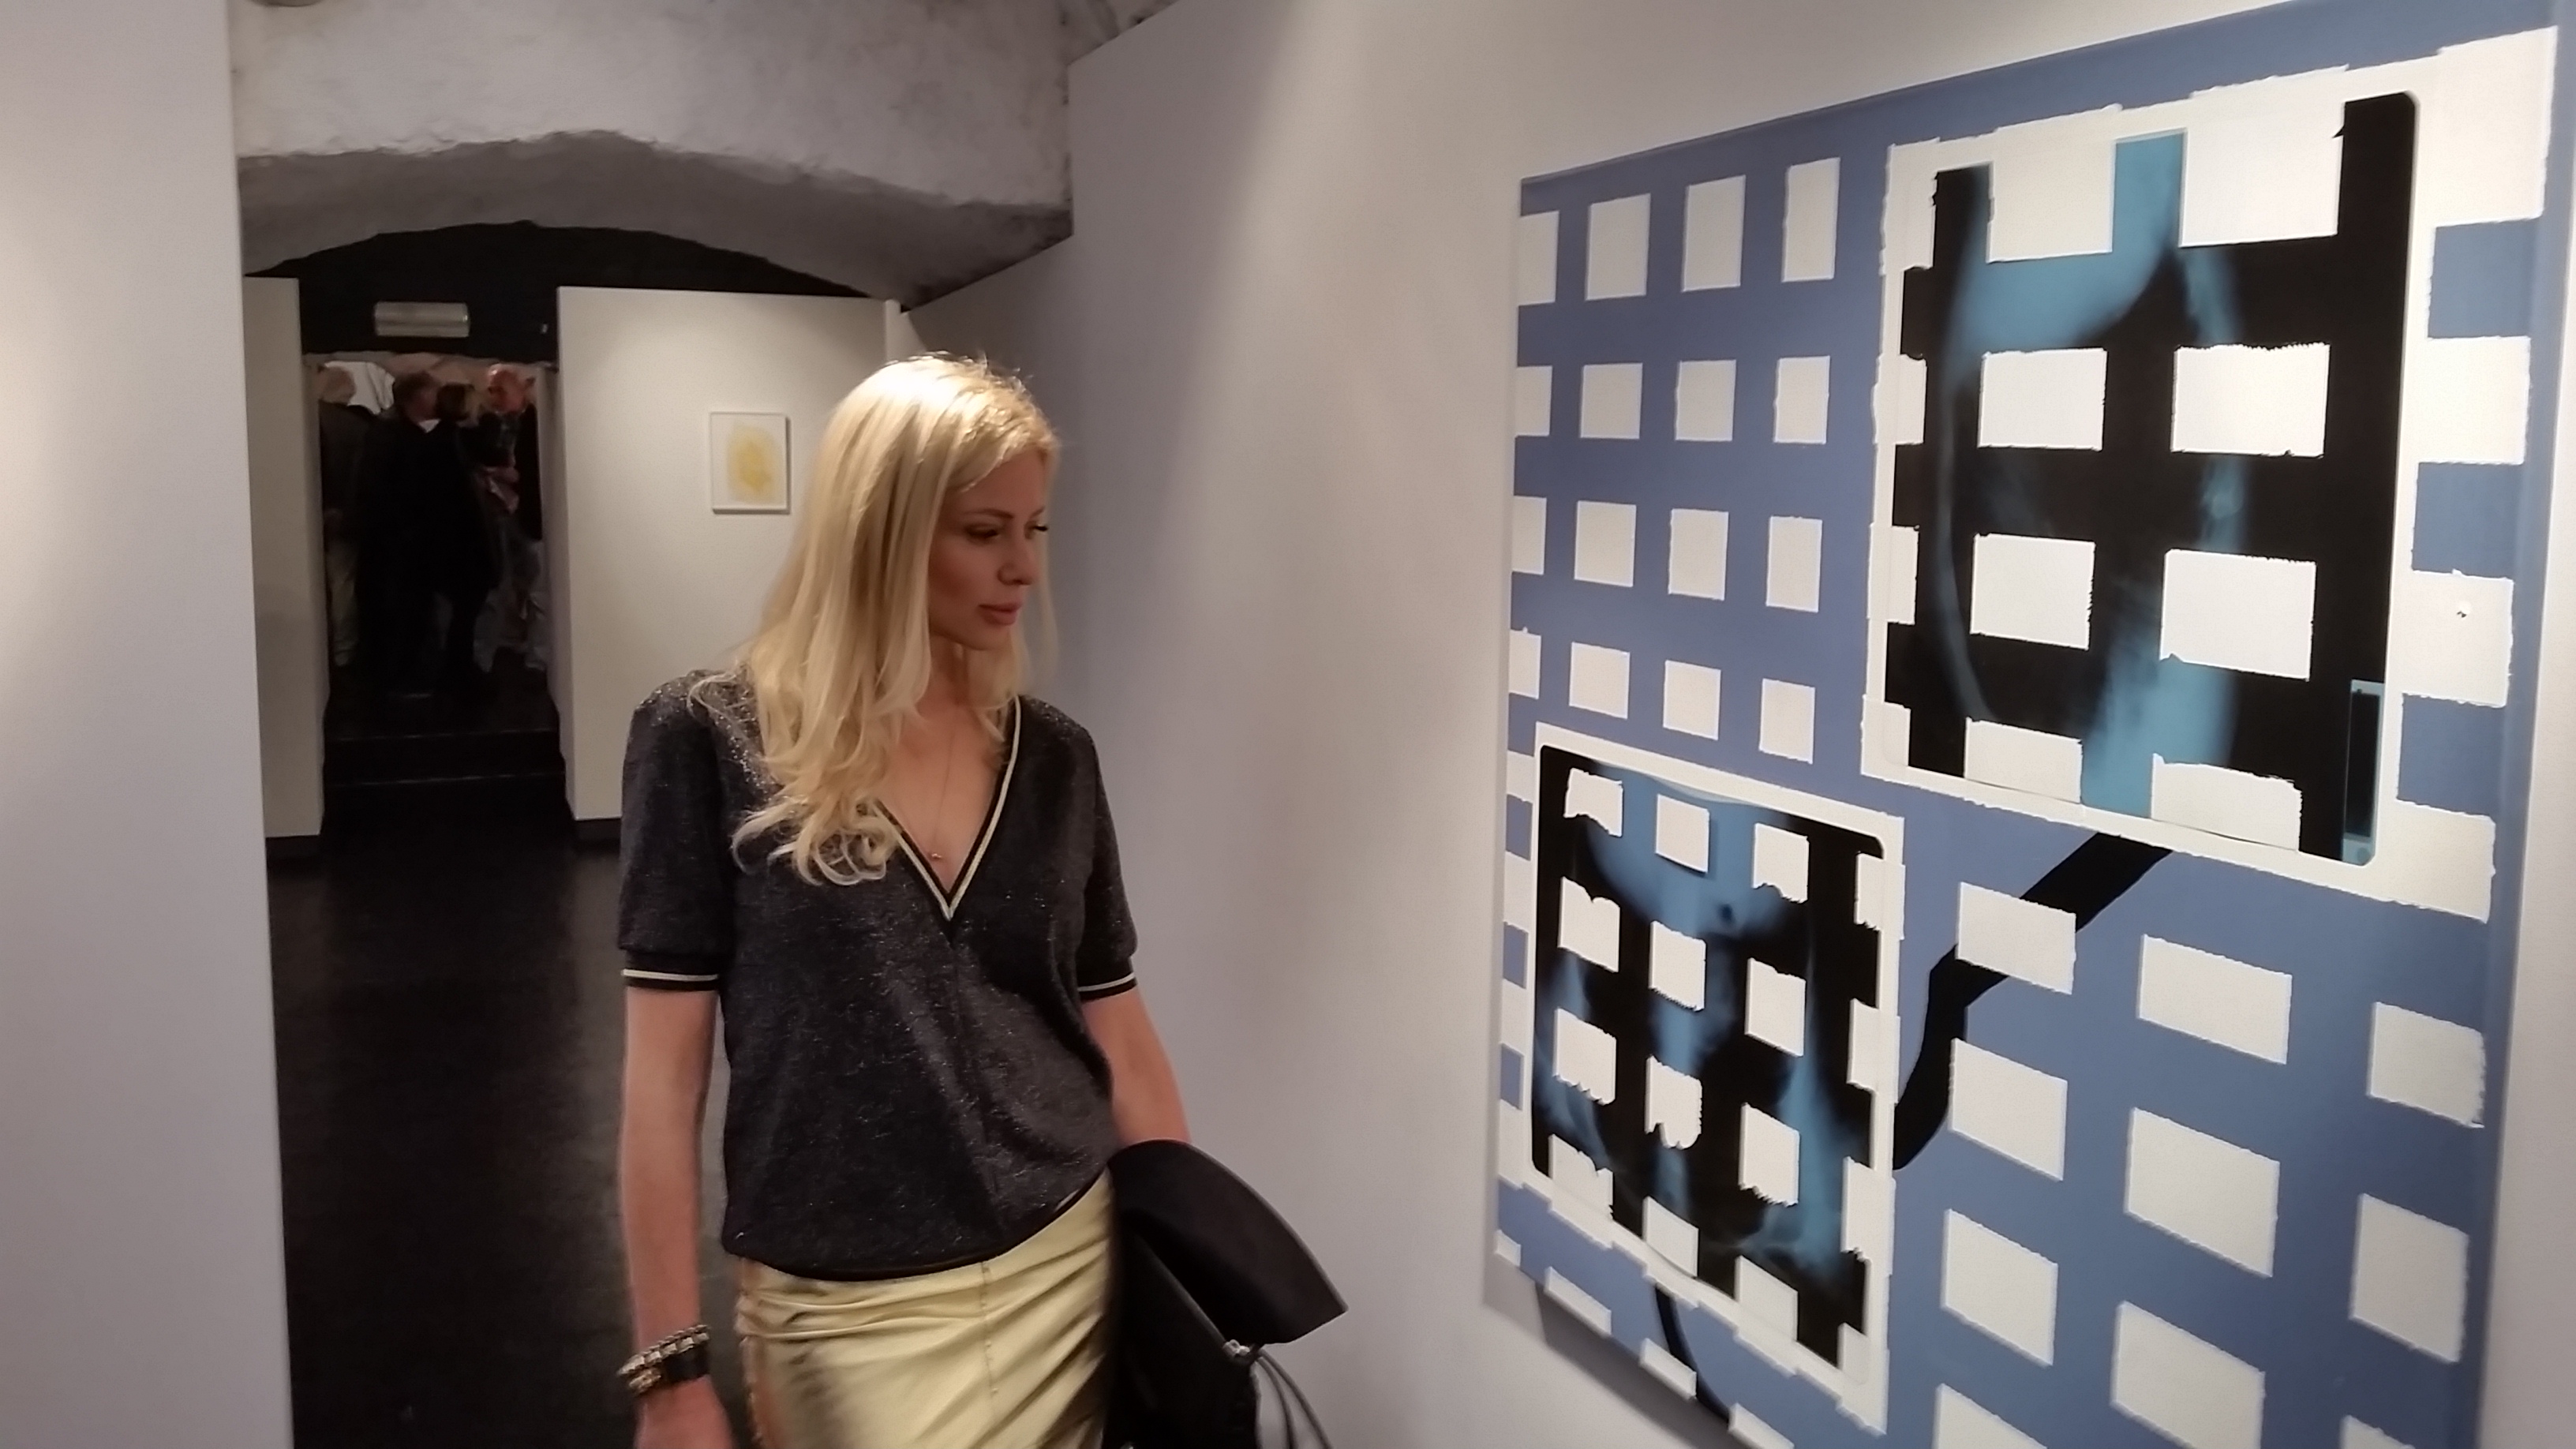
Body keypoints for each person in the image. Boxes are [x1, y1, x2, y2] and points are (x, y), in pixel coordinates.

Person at [616, 357, 1189, 1449]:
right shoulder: (710, 739)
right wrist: (669, 1373)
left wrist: (1183, 1268)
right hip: (845, 1304)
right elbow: (660, 1078)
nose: (1024, 567)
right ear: (879, 529)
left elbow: (1115, 1024)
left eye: (1035, 529)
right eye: (984, 531)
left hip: (1070, 1260)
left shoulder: (1053, 758)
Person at [471, 364, 549, 672]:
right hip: (504, 515)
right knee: (508, 586)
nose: (494, 397)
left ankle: (539, 656)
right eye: (490, 391)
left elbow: (532, 472)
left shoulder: (537, 424)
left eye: (500, 390)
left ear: (522, 388)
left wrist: (500, 474)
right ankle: (515, 643)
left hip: (531, 517)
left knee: (538, 589)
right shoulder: (494, 424)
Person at [314, 365, 375, 671]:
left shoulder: (313, 420)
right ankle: (344, 651)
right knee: (344, 585)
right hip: (348, 514)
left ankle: (328, 649)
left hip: (322, 510)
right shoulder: (358, 426)